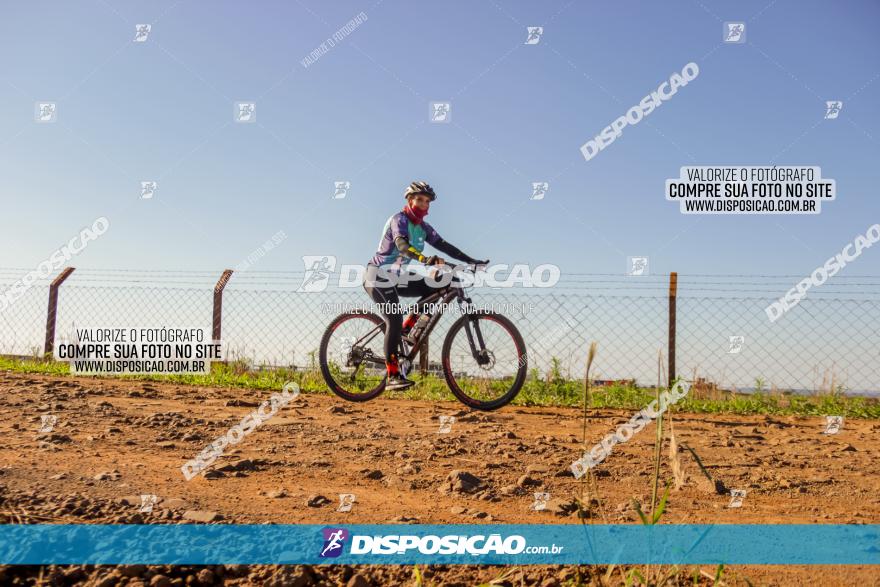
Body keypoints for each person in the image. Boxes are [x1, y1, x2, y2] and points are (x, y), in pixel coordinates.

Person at [363, 181, 488, 390]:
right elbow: (402, 246)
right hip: (377, 275)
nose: (423, 204)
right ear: (410, 201)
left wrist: (471, 261)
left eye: (427, 201)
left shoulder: (423, 228)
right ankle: (393, 375)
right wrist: (424, 258)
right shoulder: (399, 220)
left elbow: (444, 245)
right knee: (394, 318)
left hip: (397, 276)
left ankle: (407, 329)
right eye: (419, 199)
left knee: (436, 287)